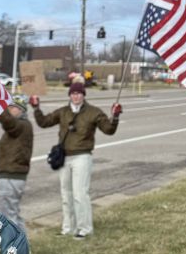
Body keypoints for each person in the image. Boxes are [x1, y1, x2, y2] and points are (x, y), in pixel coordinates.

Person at [31, 81, 122, 239]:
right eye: (73, 93)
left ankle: (85, 229)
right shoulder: (63, 112)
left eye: (79, 93)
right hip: (64, 158)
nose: (76, 96)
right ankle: (68, 228)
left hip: (82, 156)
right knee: (66, 195)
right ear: (69, 95)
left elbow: (109, 130)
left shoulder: (93, 112)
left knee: (80, 194)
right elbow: (44, 122)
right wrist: (36, 108)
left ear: (83, 95)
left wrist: (115, 116)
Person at [0, 95, 34, 233]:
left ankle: (13, 249)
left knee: (6, 216)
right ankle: (23, 246)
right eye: (9, 107)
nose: (10, 109)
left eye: (14, 107)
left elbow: (8, 122)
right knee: (13, 213)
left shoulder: (21, 125)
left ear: (21, 110)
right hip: (12, 176)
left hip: (11, 176)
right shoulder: (22, 126)